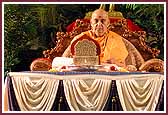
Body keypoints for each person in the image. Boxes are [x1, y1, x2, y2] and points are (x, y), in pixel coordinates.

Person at [62, 9, 128, 67]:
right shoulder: (80, 39)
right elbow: (64, 61)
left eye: (103, 21)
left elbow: (123, 66)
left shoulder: (116, 39)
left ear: (108, 23)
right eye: (96, 21)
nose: (99, 24)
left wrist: (114, 63)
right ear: (91, 23)